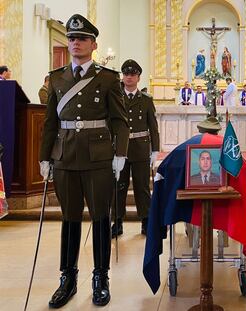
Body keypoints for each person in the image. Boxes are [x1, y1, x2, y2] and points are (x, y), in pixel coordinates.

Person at [39, 14, 129, 308]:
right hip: (65, 157)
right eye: (71, 38)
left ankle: (100, 278)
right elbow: (50, 123)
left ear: (93, 44)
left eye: (81, 39)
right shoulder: (56, 78)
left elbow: (119, 120)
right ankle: (68, 278)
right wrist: (44, 157)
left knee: (101, 218)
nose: (75, 43)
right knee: (70, 219)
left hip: (99, 158)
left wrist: (120, 154)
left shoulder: (107, 78)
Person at [111, 59, 160, 238]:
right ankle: (117, 222)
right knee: (118, 186)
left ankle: (146, 221)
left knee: (142, 187)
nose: (129, 77)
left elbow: (152, 126)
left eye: (132, 75)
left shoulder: (146, 100)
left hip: (140, 149)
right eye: (126, 74)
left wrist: (155, 149)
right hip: (120, 150)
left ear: (138, 77)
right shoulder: (116, 98)